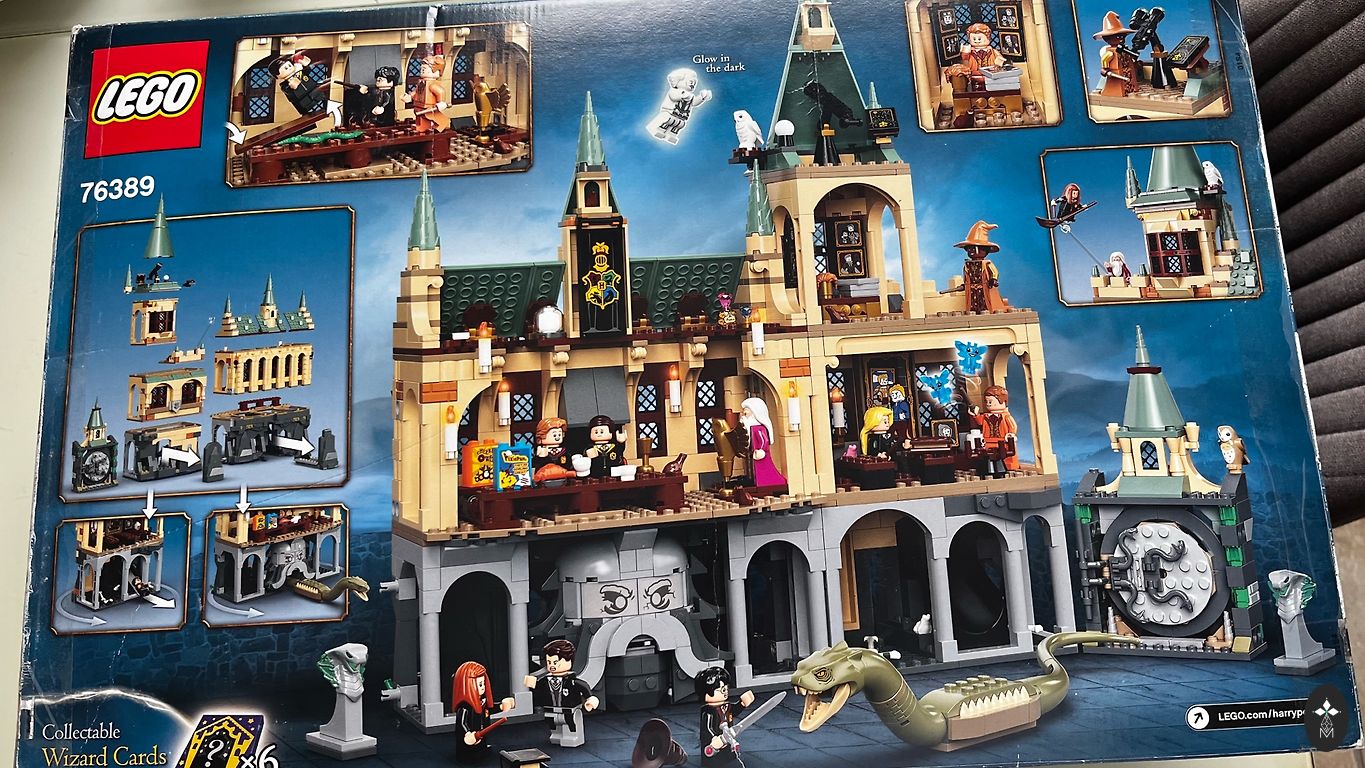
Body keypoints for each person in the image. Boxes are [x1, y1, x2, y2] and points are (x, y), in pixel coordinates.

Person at [524, 640, 598, 748]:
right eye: (549, 662)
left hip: (570, 710)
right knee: (552, 723)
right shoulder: (545, 680)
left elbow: (584, 687)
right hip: (551, 709)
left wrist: (590, 699)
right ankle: (556, 734)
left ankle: (572, 736)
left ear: (569, 660)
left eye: (555, 662)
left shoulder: (572, 681)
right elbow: (538, 688)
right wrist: (531, 683)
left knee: (571, 723)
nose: (552, 665)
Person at [450, 661, 515, 763]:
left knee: (481, 745)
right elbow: (462, 723)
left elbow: (488, 710)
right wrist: (467, 733)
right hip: (471, 738)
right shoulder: (465, 707)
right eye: (480, 684)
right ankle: (468, 755)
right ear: (469, 685)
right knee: (469, 750)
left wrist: (501, 706)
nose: (483, 687)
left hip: (481, 732)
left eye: (483, 683)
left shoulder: (482, 701)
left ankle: (481, 750)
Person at [696, 667, 754, 768]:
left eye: (726, 689)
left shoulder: (726, 706)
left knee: (730, 758)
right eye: (722, 690)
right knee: (715, 761)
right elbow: (707, 728)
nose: (725, 692)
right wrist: (714, 738)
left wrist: (742, 704)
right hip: (714, 745)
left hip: (727, 741)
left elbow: (733, 711)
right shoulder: (708, 711)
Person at [955, 221, 1007, 313]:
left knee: (987, 303)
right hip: (971, 291)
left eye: (975, 248)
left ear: (985, 250)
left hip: (986, 287)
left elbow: (994, 272)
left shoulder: (987, 263)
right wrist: (965, 285)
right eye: (969, 249)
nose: (971, 251)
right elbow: (966, 276)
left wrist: (993, 279)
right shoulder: (967, 265)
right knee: (972, 304)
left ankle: (986, 310)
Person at [969, 384, 1019, 475]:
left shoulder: (1005, 416)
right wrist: (975, 414)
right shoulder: (985, 416)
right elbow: (980, 422)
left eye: (991, 401)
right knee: (987, 456)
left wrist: (1011, 433)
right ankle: (989, 469)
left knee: (1004, 457)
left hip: (1002, 441)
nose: (988, 404)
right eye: (986, 401)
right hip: (988, 441)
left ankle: (1005, 467)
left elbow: (1012, 425)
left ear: (1002, 401)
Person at [739, 398, 786, 490]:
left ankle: (770, 482)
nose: (744, 413)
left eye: (746, 410)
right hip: (755, 453)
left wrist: (761, 449)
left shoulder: (759, 428)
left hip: (760, 454)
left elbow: (764, 440)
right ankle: (760, 482)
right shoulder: (751, 427)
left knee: (764, 468)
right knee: (758, 469)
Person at [1093, 11, 1139, 97]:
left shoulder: (1124, 50)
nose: (1121, 39)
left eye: (1123, 36)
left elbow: (1131, 60)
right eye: (1118, 37)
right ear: (1106, 39)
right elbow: (1104, 70)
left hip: (1129, 82)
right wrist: (1108, 73)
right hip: (1117, 83)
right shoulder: (1109, 53)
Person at [402, 54, 450, 132]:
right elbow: (416, 92)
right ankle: (422, 126)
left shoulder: (432, 85)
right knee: (421, 117)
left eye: (425, 69)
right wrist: (410, 97)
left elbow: (440, 92)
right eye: (422, 68)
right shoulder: (421, 83)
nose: (422, 70)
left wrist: (441, 102)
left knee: (434, 116)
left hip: (429, 107)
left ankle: (442, 124)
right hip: (419, 105)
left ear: (436, 71)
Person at [955, 22, 1007, 91]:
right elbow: (965, 59)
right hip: (974, 74)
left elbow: (999, 58)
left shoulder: (992, 51)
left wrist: (999, 60)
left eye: (979, 39)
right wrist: (965, 52)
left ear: (988, 38)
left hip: (990, 74)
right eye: (974, 39)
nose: (977, 41)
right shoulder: (970, 51)